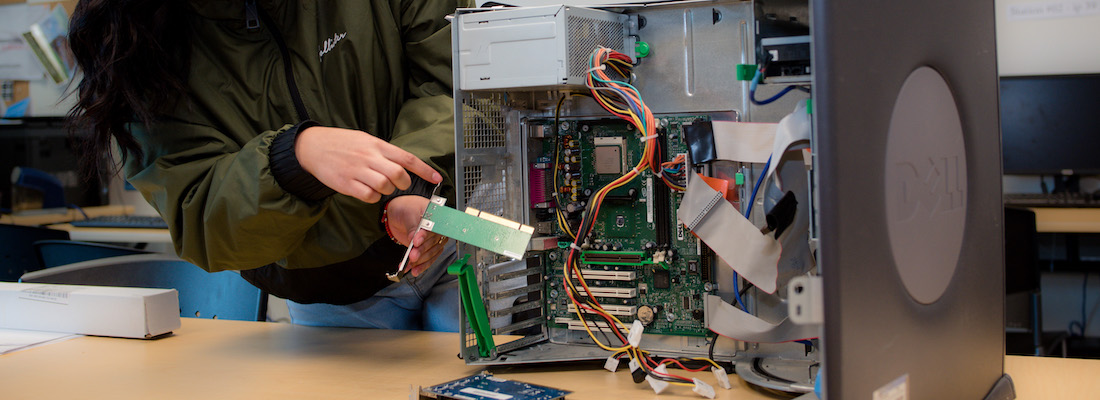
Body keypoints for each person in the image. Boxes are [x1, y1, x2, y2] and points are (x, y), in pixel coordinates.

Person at [65, 0, 474, 331]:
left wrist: (413, 188)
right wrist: (292, 161)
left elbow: (453, 80)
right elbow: (202, 215)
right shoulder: (137, 45)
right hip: (332, 298)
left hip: (458, 242)